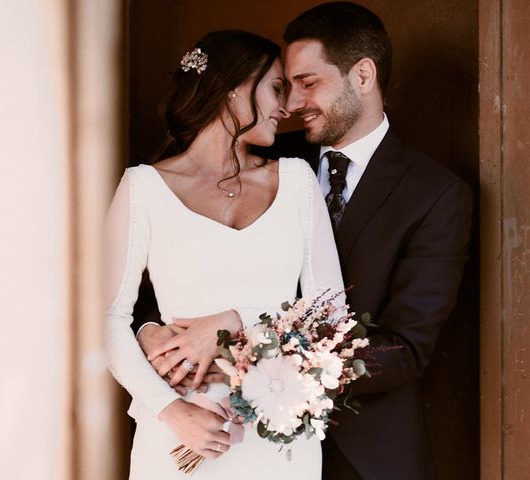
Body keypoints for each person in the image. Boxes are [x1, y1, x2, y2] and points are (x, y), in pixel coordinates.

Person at [135, 3, 473, 479]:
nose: (291, 104)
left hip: (365, 454)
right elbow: (171, 266)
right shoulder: (268, 162)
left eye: (308, 83)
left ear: (362, 75)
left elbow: (405, 349)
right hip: (231, 440)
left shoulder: (436, 194)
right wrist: (152, 332)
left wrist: (242, 349)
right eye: (285, 86)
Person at [104, 29, 344, 479]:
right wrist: (171, 411)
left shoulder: (296, 182)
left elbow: (329, 310)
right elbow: (105, 317)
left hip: (279, 434)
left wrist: (237, 319)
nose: (288, 106)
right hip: (180, 437)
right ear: (234, 88)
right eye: (276, 87)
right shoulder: (143, 189)